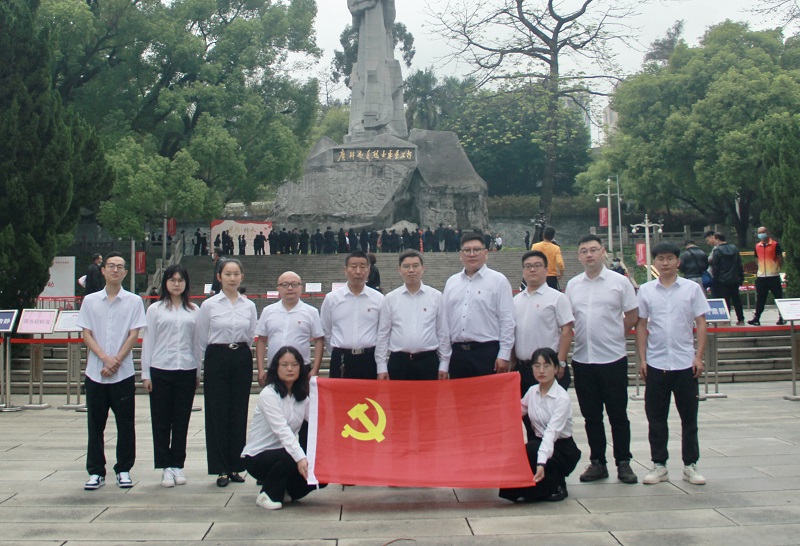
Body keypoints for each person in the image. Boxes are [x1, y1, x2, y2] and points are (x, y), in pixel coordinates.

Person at [565, 234, 639, 485]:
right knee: (591, 415)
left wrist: (615, 334)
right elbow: (569, 320)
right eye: (584, 251)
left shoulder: (620, 282)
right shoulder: (573, 285)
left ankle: (624, 461)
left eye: (594, 250)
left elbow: (632, 315)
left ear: (603, 252)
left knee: (618, 414)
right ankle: (598, 462)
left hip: (612, 358)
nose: (589, 255)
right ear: (578, 256)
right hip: (583, 359)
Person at [636, 242, 710, 486]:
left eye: (669, 258)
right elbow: (642, 325)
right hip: (656, 363)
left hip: (685, 363)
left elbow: (701, 322)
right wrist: (643, 358)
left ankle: (690, 465)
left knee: (689, 418)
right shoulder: (646, 290)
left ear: (678, 261)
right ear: (654, 262)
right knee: (656, 418)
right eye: (660, 258)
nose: (665, 262)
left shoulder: (691, 289)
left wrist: (698, 356)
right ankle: (659, 464)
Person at [77, 252, 147, 490]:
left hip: (122, 373)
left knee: (125, 424)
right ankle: (96, 471)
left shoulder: (133, 301)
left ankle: (124, 469)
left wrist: (116, 360)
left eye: (120, 266)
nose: (115, 270)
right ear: (103, 270)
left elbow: (134, 334)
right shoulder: (90, 301)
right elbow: (86, 334)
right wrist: (105, 359)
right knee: (95, 424)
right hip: (95, 372)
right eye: (111, 266)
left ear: (125, 272)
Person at [194, 259, 257, 487]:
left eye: (236, 274)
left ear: (242, 277)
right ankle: (220, 468)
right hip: (217, 356)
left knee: (239, 412)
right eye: (228, 274)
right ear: (219, 277)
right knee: (217, 413)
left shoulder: (248, 305)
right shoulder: (209, 305)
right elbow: (201, 337)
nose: (232, 278)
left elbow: (250, 335)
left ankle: (235, 465)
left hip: (240, 356)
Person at [241, 347, 326, 510]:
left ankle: (284, 491)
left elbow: (319, 421)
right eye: (284, 365)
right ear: (276, 368)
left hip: (285, 455)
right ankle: (267, 494)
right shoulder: (269, 394)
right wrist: (301, 458)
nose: (290, 369)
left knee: (320, 473)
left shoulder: (301, 396)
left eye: (294, 365)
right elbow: (282, 431)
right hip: (258, 456)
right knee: (291, 456)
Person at [141, 264, 199, 488]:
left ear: (186, 283)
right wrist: (146, 373)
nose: (176, 284)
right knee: (161, 420)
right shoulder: (155, 310)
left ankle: (178, 464)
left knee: (181, 420)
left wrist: (197, 371)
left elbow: (196, 343)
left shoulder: (194, 310)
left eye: (180, 280)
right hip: (161, 368)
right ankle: (165, 466)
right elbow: (149, 342)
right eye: (172, 280)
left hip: (186, 369)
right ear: (165, 283)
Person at [499, 348, 582, 503]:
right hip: (539, 445)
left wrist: (541, 463)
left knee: (532, 449)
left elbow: (551, 433)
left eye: (546, 366)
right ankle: (544, 484)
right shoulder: (532, 391)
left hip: (561, 448)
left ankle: (558, 483)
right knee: (513, 487)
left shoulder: (561, 398)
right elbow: (515, 411)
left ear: (556, 369)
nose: (541, 371)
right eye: (537, 366)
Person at [443, 233, 515, 378]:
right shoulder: (452, 282)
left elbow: (507, 320)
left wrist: (504, 354)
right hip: (457, 353)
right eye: (467, 250)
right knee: (460, 393)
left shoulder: (498, 281)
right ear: (460, 255)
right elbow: (444, 321)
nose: (472, 254)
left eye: (476, 250)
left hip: (487, 352)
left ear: (485, 253)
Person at [375, 250, 451, 380]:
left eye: (415, 266)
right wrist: (381, 366)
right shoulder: (390, 298)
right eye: (406, 266)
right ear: (399, 270)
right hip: (399, 362)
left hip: (428, 361)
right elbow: (383, 334)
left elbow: (442, 332)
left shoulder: (436, 296)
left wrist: (444, 363)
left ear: (423, 268)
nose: (411, 270)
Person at [512, 251, 573, 396]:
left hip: (548, 367)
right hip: (523, 368)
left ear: (546, 270)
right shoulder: (515, 300)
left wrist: (561, 362)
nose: (532, 269)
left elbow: (567, 330)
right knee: (525, 409)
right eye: (528, 266)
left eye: (537, 265)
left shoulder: (557, 298)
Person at [320, 251, 384, 379]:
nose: (358, 271)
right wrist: (337, 352)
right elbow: (326, 330)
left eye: (362, 267)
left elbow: (383, 332)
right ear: (345, 270)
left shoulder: (379, 299)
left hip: (369, 359)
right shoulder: (332, 299)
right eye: (353, 267)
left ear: (368, 270)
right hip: (341, 358)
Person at [256, 271, 324, 382]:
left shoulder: (311, 312)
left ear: (301, 288)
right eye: (285, 285)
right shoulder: (268, 311)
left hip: (301, 368)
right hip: (274, 367)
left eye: (294, 284)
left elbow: (319, 341)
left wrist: (315, 370)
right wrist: (260, 369)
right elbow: (261, 340)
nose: (290, 288)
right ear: (278, 288)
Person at [749, 226, 786, 326]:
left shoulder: (775, 244)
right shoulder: (757, 246)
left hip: (773, 276)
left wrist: (776, 268)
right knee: (760, 299)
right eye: (759, 233)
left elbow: (780, 259)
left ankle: (782, 317)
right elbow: (757, 259)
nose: (761, 234)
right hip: (761, 277)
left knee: (778, 297)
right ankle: (756, 318)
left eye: (763, 232)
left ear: (768, 232)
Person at [709, 232, 745, 325]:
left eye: (714, 239)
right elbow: (739, 264)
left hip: (722, 280)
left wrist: (715, 279)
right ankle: (741, 319)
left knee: (725, 300)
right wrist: (741, 277)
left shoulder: (717, 251)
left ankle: (727, 319)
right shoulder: (734, 248)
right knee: (736, 300)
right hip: (734, 279)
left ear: (717, 239)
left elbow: (716, 267)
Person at [531, 226, 565, 290]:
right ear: (553, 236)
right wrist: (561, 273)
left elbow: (531, 260)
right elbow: (560, 263)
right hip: (551, 277)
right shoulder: (556, 248)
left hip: (538, 275)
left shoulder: (535, 246)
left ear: (543, 234)